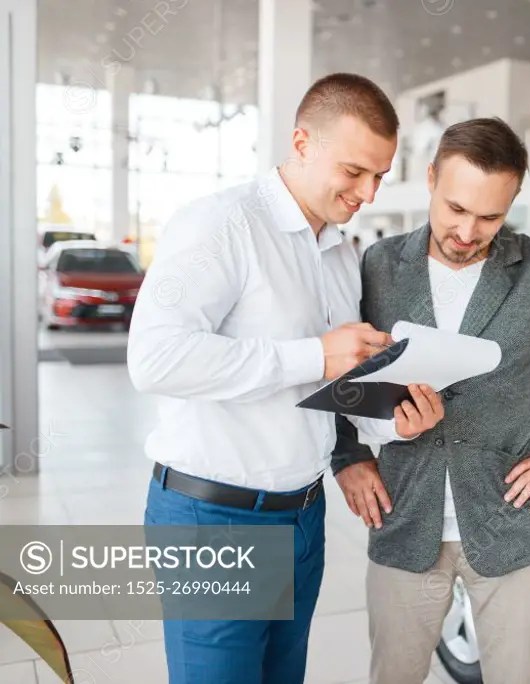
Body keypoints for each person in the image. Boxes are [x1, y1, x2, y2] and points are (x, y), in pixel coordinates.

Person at [126, 73, 444, 684]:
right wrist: (313, 356)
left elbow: (333, 393)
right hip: (213, 520)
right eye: (354, 171)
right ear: (301, 144)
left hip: (302, 516)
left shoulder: (342, 252)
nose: (368, 193)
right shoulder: (222, 224)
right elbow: (156, 358)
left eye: (379, 175)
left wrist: (396, 418)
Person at [331, 117, 530, 684]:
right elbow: (341, 369)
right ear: (430, 179)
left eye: (490, 216)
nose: (467, 230)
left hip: (512, 531)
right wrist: (348, 455)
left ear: (513, 201)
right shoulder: (378, 266)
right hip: (404, 521)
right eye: (455, 208)